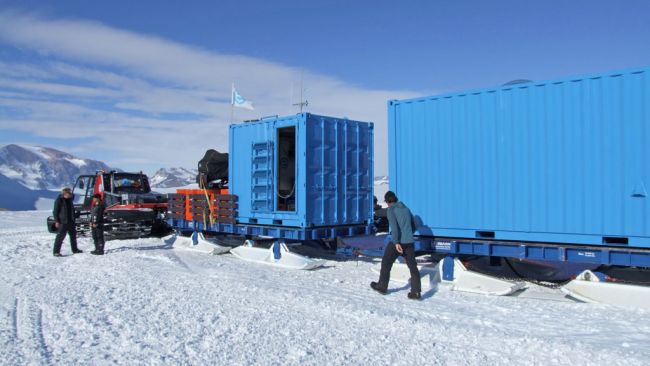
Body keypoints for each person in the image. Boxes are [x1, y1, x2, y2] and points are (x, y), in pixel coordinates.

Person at [371, 191, 421, 300]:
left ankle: (382, 286)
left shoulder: (391, 210)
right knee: (413, 267)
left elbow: (394, 228)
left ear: (388, 201)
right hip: (409, 242)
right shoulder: (406, 209)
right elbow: (414, 225)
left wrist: (396, 242)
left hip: (398, 242)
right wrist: (408, 235)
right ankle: (416, 292)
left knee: (386, 262)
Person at [52, 187, 82, 257]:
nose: (70, 194)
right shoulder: (59, 200)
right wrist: (57, 221)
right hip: (63, 222)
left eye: (70, 193)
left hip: (71, 221)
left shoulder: (69, 199)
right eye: (69, 193)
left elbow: (74, 196)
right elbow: (55, 212)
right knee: (60, 237)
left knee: (73, 236)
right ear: (64, 194)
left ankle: (75, 249)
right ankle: (56, 252)